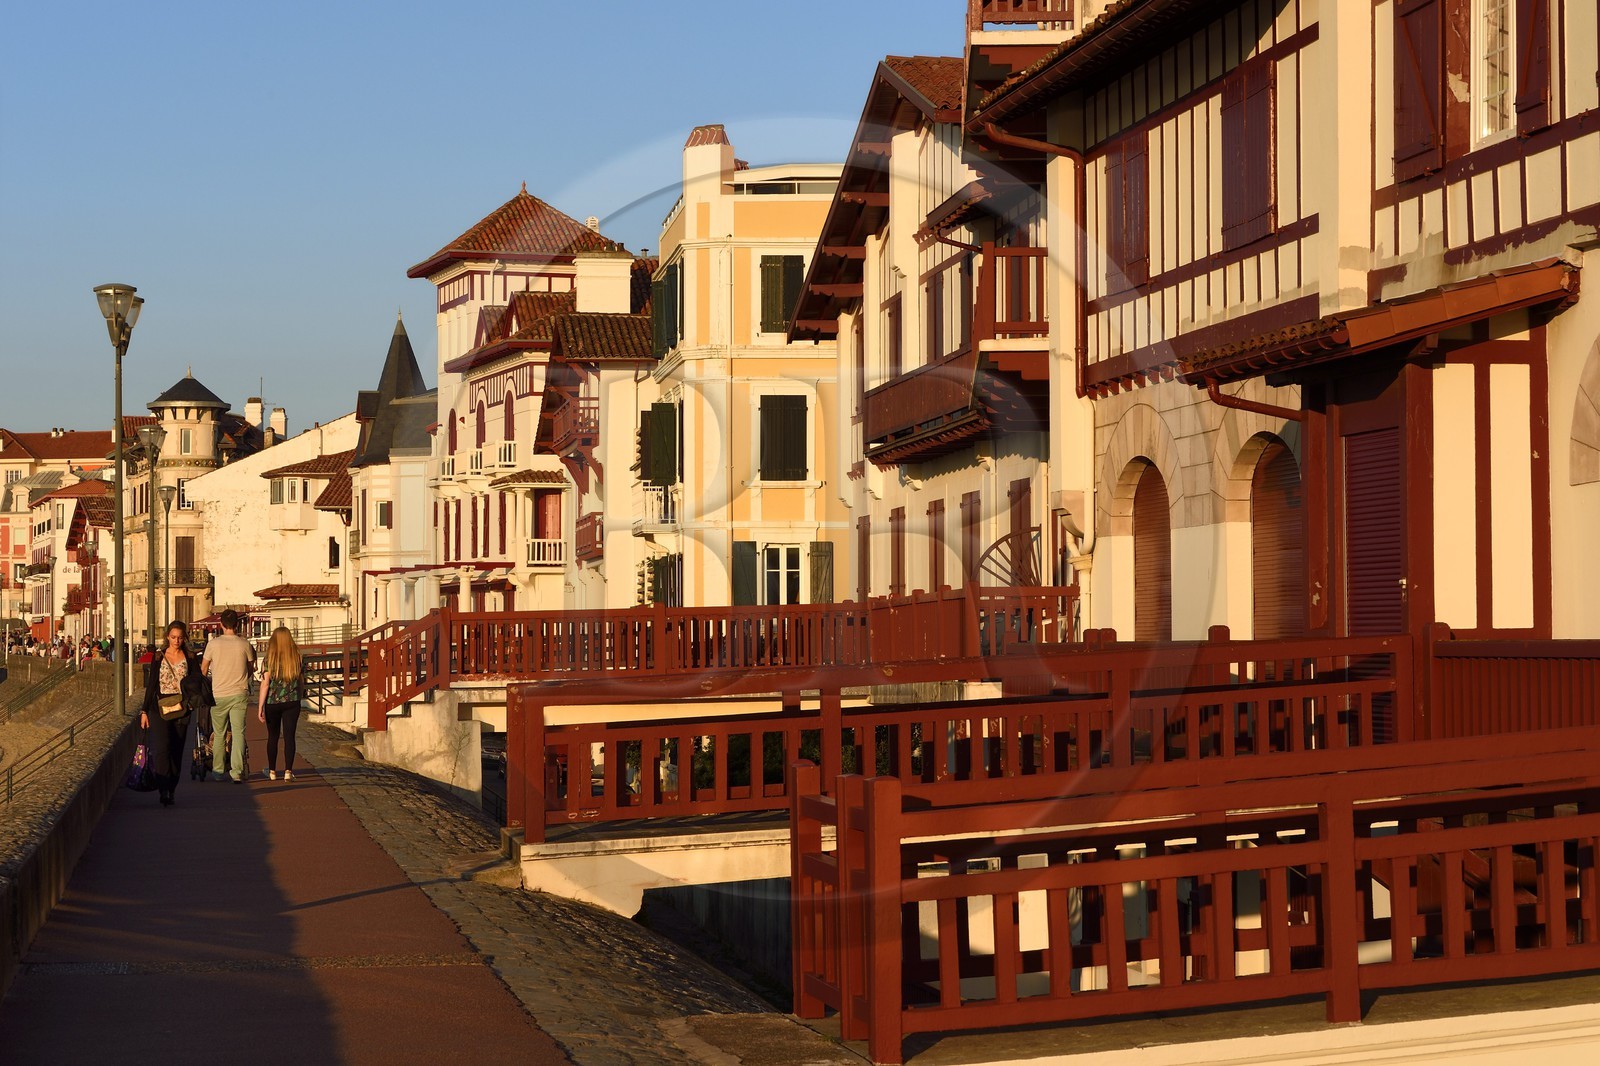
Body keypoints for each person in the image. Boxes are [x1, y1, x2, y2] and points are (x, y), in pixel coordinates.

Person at [138, 620, 203, 807]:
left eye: (180, 638)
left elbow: (197, 681)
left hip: (181, 708)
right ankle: (163, 788)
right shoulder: (158, 656)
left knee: (176, 750)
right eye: (173, 637)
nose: (177, 641)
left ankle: (172, 787)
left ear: (184, 638)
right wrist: (144, 710)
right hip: (159, 707)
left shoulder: (190, 656)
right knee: (162, 748)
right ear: (167, 637)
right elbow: (151, 684)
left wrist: (192, 702)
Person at [201, 609, 255, 782]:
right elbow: (251, 667)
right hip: (239, 692)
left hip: (218, 694)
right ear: (237, 624)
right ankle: (236, 771)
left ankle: (218, 770)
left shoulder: (213, 644)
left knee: (219, 733)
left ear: (221, 624)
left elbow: (203, 669)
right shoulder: (244, 644)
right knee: (239, 733)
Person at [256, 627, 306, 781]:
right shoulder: (297, 657)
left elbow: (265, 684)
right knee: (290, 736)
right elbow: (301, 680)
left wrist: (260, 707)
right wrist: (300, 695)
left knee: (273, 736)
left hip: (273, 702)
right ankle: (288, 771)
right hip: (292, 701)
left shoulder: (269, 659)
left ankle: (271, 771)